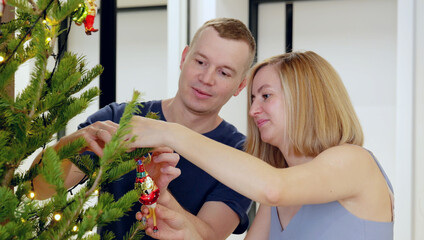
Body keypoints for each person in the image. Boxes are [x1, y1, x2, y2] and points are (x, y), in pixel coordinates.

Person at [32, 18, 256, 240]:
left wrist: (160, 193)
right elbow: (38, 189)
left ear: (240, 86)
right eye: (200, 62)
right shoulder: (119, 119)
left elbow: (210, 236)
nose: (206, 79)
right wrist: (75, 143)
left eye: (224, 73)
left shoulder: (241, 153)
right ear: (184, 58)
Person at [131, 51, 394, 239]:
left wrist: (171, 133)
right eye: (253, 99)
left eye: (266, 96)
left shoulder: (355, 162)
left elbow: (273, 188)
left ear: (305, 99)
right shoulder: (276, 200)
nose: (253, 110)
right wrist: (182, 226)